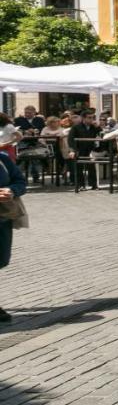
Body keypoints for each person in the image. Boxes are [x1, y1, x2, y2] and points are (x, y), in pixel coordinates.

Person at [0, 124, 28, 322]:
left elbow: (20, 181)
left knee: (1, 259)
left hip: (2, 218)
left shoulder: (3, 159)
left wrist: (12, 190)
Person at [67, 113, 103, 190]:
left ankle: (93, 185)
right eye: (89, 117)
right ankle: (81, 185)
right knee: (79, 168)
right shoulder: (76, 127)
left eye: (92, 118)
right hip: (79, 149)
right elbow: (70, 140)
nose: (91, 119)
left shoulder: (94, 127)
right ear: (83, 118)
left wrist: (98, 127)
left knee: (91, 167)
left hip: (90, 150)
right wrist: (72, 150)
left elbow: (102, 135)